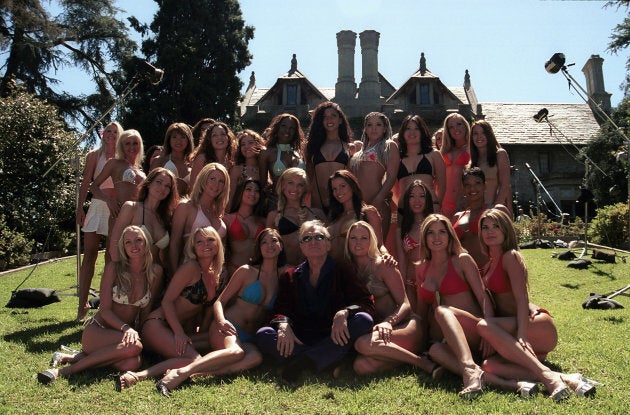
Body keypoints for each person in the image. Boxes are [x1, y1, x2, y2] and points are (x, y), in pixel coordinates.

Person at [476, 208, 601, 401]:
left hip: (534, 327)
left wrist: (521, 335)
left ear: (506, 230)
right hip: (512, 328)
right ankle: (566, 378)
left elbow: (521, 299)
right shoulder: (489, 263)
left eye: (496, 226)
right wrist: (492, 333)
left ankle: (549, 379)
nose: (490, 231)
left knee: (483, 325)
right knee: (489, 365)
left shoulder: (510, 256)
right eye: (485, 227)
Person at [154, 228, 289, 396]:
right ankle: (179, 375)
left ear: (281, 246)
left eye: (274, 241)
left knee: (255, 358)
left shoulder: (284, 274)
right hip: (227, 327)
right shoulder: (247, 271)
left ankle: (197, 373)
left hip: (248, 336)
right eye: (264, 242)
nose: (269, 245)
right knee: (236, 352)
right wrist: (221, 320)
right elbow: (220, 302)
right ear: (259, 248)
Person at [37, 226, 163, 384]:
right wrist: (127, 328)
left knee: (133, 363)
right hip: (98, 331)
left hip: (121, 337)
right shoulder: (114, 269)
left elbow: (145, 310)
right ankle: (64, 371)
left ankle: (72, 357)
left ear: (147, 243)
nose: (134, 246)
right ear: (123, 247)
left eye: (138, 240)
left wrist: (139, 332)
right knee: (135, 347)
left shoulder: (155, 272)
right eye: (128, 242)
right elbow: (104, 311)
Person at [256, 220, 375, 384]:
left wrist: (345, 312)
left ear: (328, 244)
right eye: (307, 238)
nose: (312, 242)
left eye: (319, 237)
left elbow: (365, 301)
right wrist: (284, 325)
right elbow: (281, 309)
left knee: (363, 320)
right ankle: (327, 359)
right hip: (301, 337)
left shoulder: (343, 269)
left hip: (334, 335)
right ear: (301, 247)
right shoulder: (290, 276)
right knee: (264, 334)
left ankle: (304, 362)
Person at [417, 214, 521, 400]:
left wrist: (490, 329)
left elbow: (483, 296)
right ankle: (496, 380)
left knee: (442, 310)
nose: (437, 237)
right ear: (424, 238)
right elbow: (422, 312)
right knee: (435, 351)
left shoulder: (461, 259)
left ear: (450, 235)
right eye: (431, 233)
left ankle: (469, 370)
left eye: (442, 232)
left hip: (477, 333)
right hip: (454, 338)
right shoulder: (422, 268)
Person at [117, 226, 224, 390]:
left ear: (218, 244)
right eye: (200, 242)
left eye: (210, 239)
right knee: (194, 360)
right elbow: (167, 301)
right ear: (193, 247)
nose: (206, 244)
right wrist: (179, 333)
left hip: (174, 329)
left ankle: (168, 365)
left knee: (214, 343)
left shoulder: (215, 273)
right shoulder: (190, 268)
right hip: (157, 325)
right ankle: (137, 375)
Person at [346, 221, 438, 376]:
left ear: (371, 241)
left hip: (404, 325)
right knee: (361, 366)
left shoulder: (383, 265)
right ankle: (406, 358)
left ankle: (422, 363)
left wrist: (388, 322)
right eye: (353, 238)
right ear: (347, 241)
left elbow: (405, 304)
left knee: (363, 344)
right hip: (380, 334)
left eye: (364, 238)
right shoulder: (349, 270)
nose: (358, 242)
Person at [75, 121, 122, 321]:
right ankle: (82, 304)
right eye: (108, 131)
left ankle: (106, 305)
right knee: (89, 256)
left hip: (116, 207)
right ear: (103, 134)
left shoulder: (123, 156)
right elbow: (87, 182)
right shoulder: (94, 155)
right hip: (97, 205)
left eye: (115, 131)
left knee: (111, 258)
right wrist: (80, 208)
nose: (111, 134)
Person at [108, 168, 178, 275]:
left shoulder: (167, 217)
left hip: (157, 277)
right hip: (130, 275)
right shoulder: (131, 208)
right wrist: (123, 275)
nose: (162, 188)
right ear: (148, 184)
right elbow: (114, 246)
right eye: (159, 182)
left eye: (167, 186)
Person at [169, 163, 229, 276]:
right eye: (212, 179)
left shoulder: (218, 213)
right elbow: (174, 244)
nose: (216, 184)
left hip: (213, 277)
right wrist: (174, 275)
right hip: (189, 274)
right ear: (203, 179)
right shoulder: (186, 207)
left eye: (221, 181)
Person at [350, 112, 400, 240]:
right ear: (365, 129)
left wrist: (376, 202)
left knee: (377, 249)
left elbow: (391, 177)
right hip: (356, 208)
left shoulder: (389, 146)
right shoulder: (358, 152)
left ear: (385, 128)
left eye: (378, 124)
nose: (374, 128)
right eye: (369, 125)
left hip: (378, 206)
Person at [266, 168, 325, 266]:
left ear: (305, 188)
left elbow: (328, 244)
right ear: (283, 185)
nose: (295, 188)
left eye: (300, 185)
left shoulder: (317, 214)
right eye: (291, 183)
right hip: (287, 272)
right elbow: (267, 247)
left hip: (314, 271)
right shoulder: (273, 216)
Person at [452, 167, 509, 267]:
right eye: (467, 185)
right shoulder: (457, 217)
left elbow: (511, 246)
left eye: (477, 183)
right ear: (463, 189)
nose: (472, 188)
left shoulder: (497, 212)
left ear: (485, 186)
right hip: (463, 275)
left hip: (489, 273)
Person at [304, 102, 353, 212]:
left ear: (340, 120)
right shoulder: (312, 147)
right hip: (317, 202)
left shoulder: (350, 148)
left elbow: (352, 178)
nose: (329, 119)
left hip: (342, 202)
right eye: (325, 117)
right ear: (320, 121)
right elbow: (308, 177)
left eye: (333, 116)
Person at [326, 170, 384, 263]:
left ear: (352, 187)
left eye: (342, 186)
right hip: (333, 271)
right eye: (334, 189)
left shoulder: (368, 212)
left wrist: (387, 258)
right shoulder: (333, 216)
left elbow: (380, 245)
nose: (338, 191)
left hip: (357, 271)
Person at [90, 129, 146, 221]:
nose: (131, 147)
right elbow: (94, 187)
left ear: (140, 145)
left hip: (139, 218)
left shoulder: (141, 171)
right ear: (122, 146)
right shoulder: (114, 163)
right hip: (119, 215)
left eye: (135, 143)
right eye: (127, 143)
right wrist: (109, 201)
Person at [394, 180, 434, 310]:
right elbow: (402, 262)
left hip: (433, 282)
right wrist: (402, 290)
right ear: (407, 200)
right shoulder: (401, 231)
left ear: (427, 199)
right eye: (412, 196)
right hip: (410, 284)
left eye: (422, 196)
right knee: (415, 321)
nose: (417, 200)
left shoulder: (435, 225)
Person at [395, 114, 445, 212]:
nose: (412, 132)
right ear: (402, 132)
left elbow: (442, 185)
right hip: (405, 209)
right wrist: (401, 205)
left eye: (416, 128)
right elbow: (392, 187)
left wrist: (437, 204)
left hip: (430, 206)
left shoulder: (434, 154)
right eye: (408, 128)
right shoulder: (396, 157)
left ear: (422, 131)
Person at [258, 113, 306, 212]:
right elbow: (262, 184)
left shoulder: (299, 153)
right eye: (283, 126)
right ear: (277, 128)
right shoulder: (266, 152)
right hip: (275, 203)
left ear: (295, 132)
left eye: (292, 128)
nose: (287, 130)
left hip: (299, 204)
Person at [223, 179, 266, 276]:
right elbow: (222, 248)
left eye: (257, 191)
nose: (253, 193)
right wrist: (223, 268)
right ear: (241, 192)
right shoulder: (227, 219)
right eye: (249, 189)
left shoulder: (263, 221)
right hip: (233, 270)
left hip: (256, 271)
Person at [470, 120, 512, 216]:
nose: (479, 137)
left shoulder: (500, 154)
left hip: (492, 209)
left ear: (489, 135)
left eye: (483, 133)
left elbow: (505, 185)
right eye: (475, 134)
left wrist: (494, 210)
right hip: (474, 210)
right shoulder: (472, 161)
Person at [440, 114, 471, 220]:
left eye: (459, 124)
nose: (455, 129)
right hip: (443, 202)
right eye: (451, 127)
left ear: (465, 125)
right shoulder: (445, 151)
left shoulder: (472, 147)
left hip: (463, 202)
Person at [151, 122, 194, 198]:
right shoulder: (159, 161)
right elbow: (150, 187)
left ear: (188, 140)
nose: (178, 141)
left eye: (183, 137)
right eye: (174, 137)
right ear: (169, 140)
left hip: (185, 207)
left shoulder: (194, 164)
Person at [228, 129, 264, 204]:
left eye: (250, 143)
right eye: (243, 144)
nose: (246, 146)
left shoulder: (264, 168)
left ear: (258, 144)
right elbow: (229, 198)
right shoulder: (237, 170)